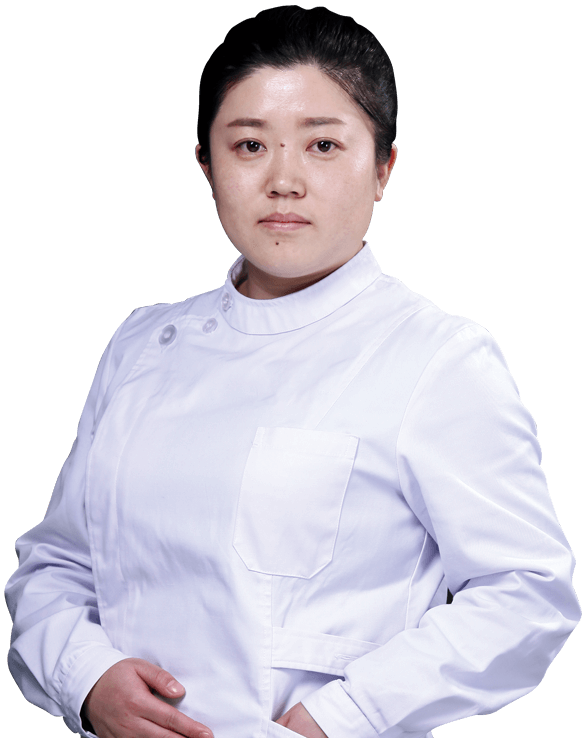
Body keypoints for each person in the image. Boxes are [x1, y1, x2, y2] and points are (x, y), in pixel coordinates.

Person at [5, 6, 580, 738]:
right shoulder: (144, 344)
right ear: (206, 166)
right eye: (249, 145)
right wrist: (86, 679)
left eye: (323, 145)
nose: (284, 180)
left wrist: (341, 718)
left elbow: (526, 591)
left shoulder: (436, 357)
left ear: (384, 168)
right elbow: (56, 564)